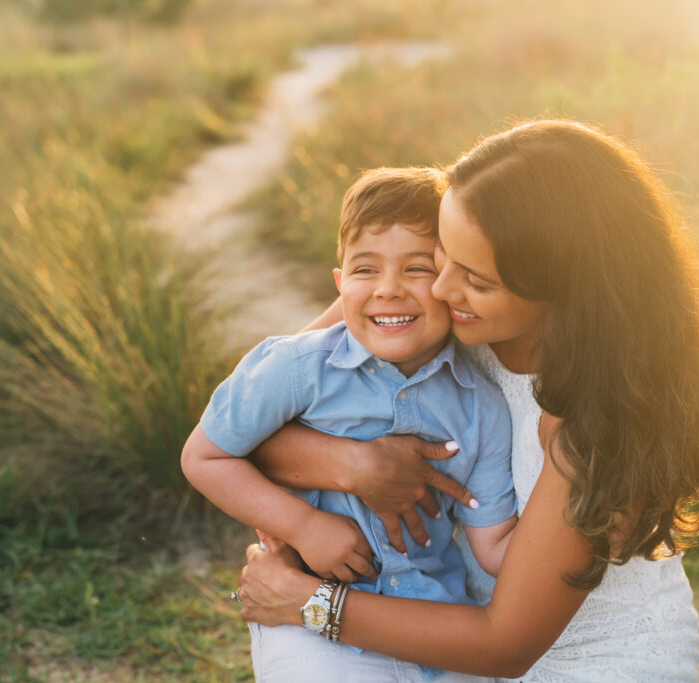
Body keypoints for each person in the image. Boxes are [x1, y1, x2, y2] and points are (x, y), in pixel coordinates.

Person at [237, 120, 699, 681]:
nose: (443, 289)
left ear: (563, 290)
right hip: (457, 631)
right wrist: (359, 465)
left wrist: (308, 601)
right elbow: (250, 418)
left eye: (476, 278)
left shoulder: (603, 423)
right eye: (442, 254)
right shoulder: (436, 298)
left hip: (584, 661)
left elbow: (506, 644)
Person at [181, 167, 519, 682]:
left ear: (451, 282)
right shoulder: (296, 368)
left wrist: (589, 526)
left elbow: (493, 544)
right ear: (340, 284)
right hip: (307, 619)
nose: (388, 290)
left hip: (430, 617)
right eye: (365, 270)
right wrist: (304, 525)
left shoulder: (481, 404)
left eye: (416, 269)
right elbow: (205, 456)